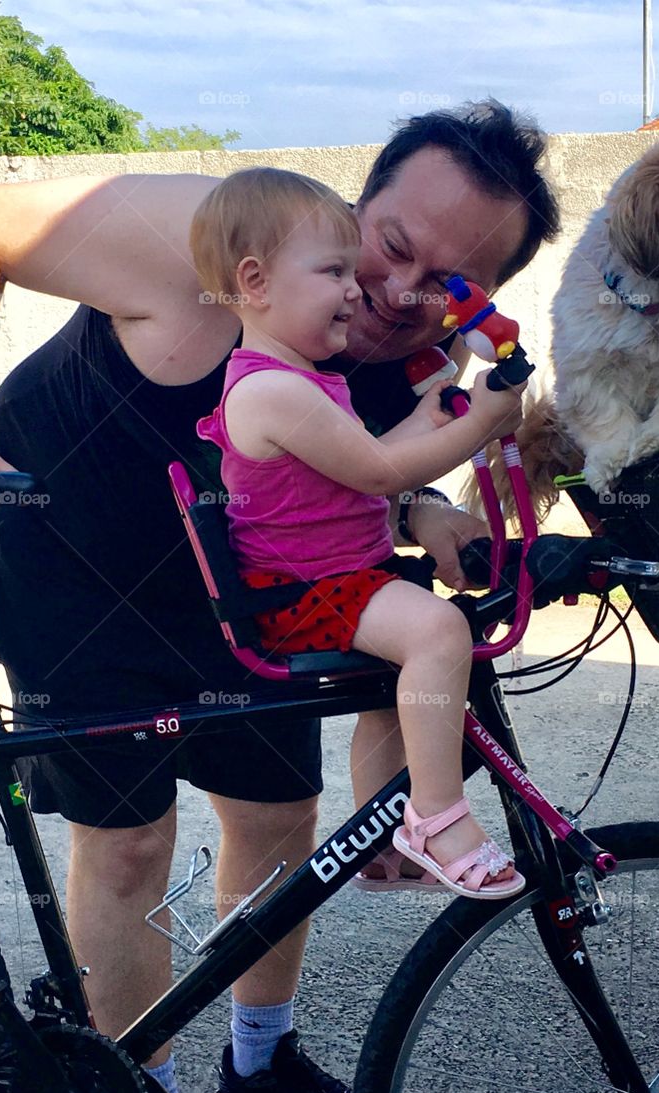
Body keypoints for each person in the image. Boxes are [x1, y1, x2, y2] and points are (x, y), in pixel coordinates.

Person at [0, 100, 560, 1093]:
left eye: (446, 280)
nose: (398, 286)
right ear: (351, 208)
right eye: (390, 241)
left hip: (247, 579)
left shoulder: (410, 361)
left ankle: (258, 1061)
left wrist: (428, 519)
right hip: (73, 545)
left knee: (276, 817)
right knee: (127, 847)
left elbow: (369, 542)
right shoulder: (208, 242)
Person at [192, 167, 528, 898]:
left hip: (341, 578)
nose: (356, 288)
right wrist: (480, 422)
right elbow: (377, 472)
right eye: (333, 271)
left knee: (405, 665)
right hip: (303, 592)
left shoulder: (306, 378)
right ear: (254, 282)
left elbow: (384, 447)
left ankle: (383, 842)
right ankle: (433, 819)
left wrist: (441, 408)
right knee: (437, 633)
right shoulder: (271, 390)